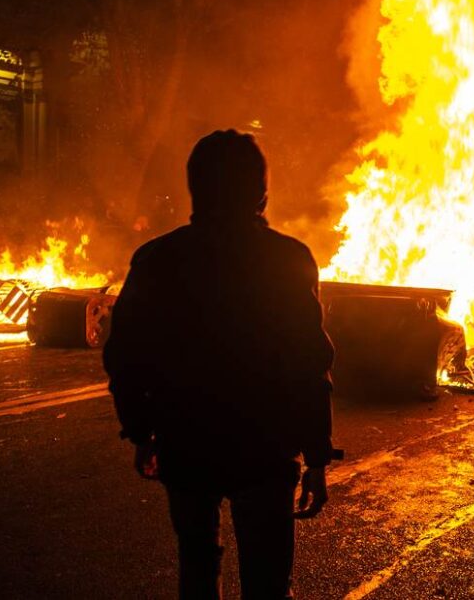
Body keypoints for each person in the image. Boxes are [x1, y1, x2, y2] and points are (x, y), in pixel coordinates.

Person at [103, 130, 335, 599]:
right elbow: (309, 362)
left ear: (195, 189)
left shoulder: (157, 259)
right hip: (265, 449)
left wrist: (140, 430)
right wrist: (316, 457)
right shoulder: (288, 259)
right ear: (261, 192)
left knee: (197, 566)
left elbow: (126, 355)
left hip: (186, 445)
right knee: (267, 582)